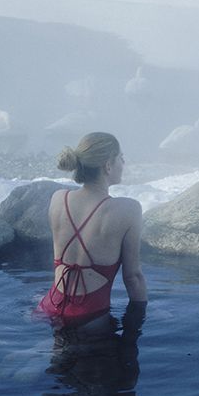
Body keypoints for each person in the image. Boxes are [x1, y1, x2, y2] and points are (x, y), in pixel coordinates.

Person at [37, 131, 148, 331]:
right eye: (121, 158)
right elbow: (133, 277)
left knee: (57, 356)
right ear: (107, 165)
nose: (124, 163)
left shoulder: (58, 199)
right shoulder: (128, 210)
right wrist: (140, 320)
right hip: (89, 317)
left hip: (49, 306)